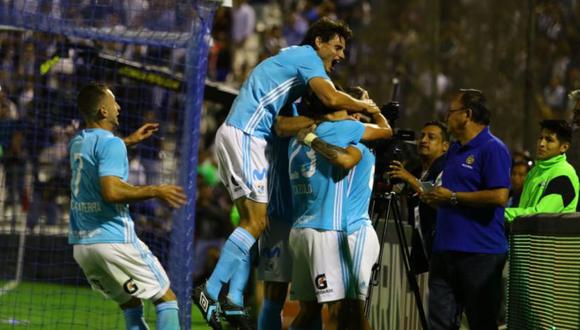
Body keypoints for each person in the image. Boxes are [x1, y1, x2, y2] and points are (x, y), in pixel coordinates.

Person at [194, 17, 380, 329]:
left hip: (244, 141)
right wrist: (365, 105)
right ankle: (210, 290)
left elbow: (288, 122)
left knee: (254, 223)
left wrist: (320, 124)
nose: (341, 55)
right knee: (257, 226)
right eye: (337, 47)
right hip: (247, 136)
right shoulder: (308, 59)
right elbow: (329, 98)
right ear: (318, 42)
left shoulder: (292, 76)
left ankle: (235, 300)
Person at [68, 82, 187, 330]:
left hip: (82, 247)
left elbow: (97, 152)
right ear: (103, 111)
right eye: (113, 103)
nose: (119, 107)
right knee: (166, 298)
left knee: (130, 303)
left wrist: (129, 141)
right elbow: (111, 192)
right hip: (114, 240)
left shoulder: (78, 142)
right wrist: (156, 189)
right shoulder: (111, 144)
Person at [289, 86, 391, 330]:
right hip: (331, 231)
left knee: (321, 311)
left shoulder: (298, 138)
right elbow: (385, 132)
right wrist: (374, 110)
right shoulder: (346, 133)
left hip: (312, 231)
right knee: (342, 312)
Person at [421, 89, 511, 330]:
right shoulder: (454, 150)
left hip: (480, 254)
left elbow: (500, 195)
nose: (447, 116)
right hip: (445, 252)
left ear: (467, 115)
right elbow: (452, 194)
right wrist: (437, 199)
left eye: (451, 111)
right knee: (438, 324)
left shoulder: (493, 148)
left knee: (481, 323)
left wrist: (452, 197)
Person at [388, 120, 449, 273]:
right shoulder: (416, 170)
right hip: (422, 245)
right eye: (422, 136)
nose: (424, 140)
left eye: (431, 137)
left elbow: (435, 196)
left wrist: (409, 178)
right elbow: (400, 189)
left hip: (442, 244)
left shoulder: (447, 168)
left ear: (445, 146)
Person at [505, 120, 579, 221]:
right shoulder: (534, 171)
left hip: (549, 236)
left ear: (564, 147)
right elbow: (524, 210)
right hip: (527, 235)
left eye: (549, 140)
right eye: (540, 138)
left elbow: (541, 215)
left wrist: (502, 214)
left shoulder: (564, 175)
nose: (541, 144)